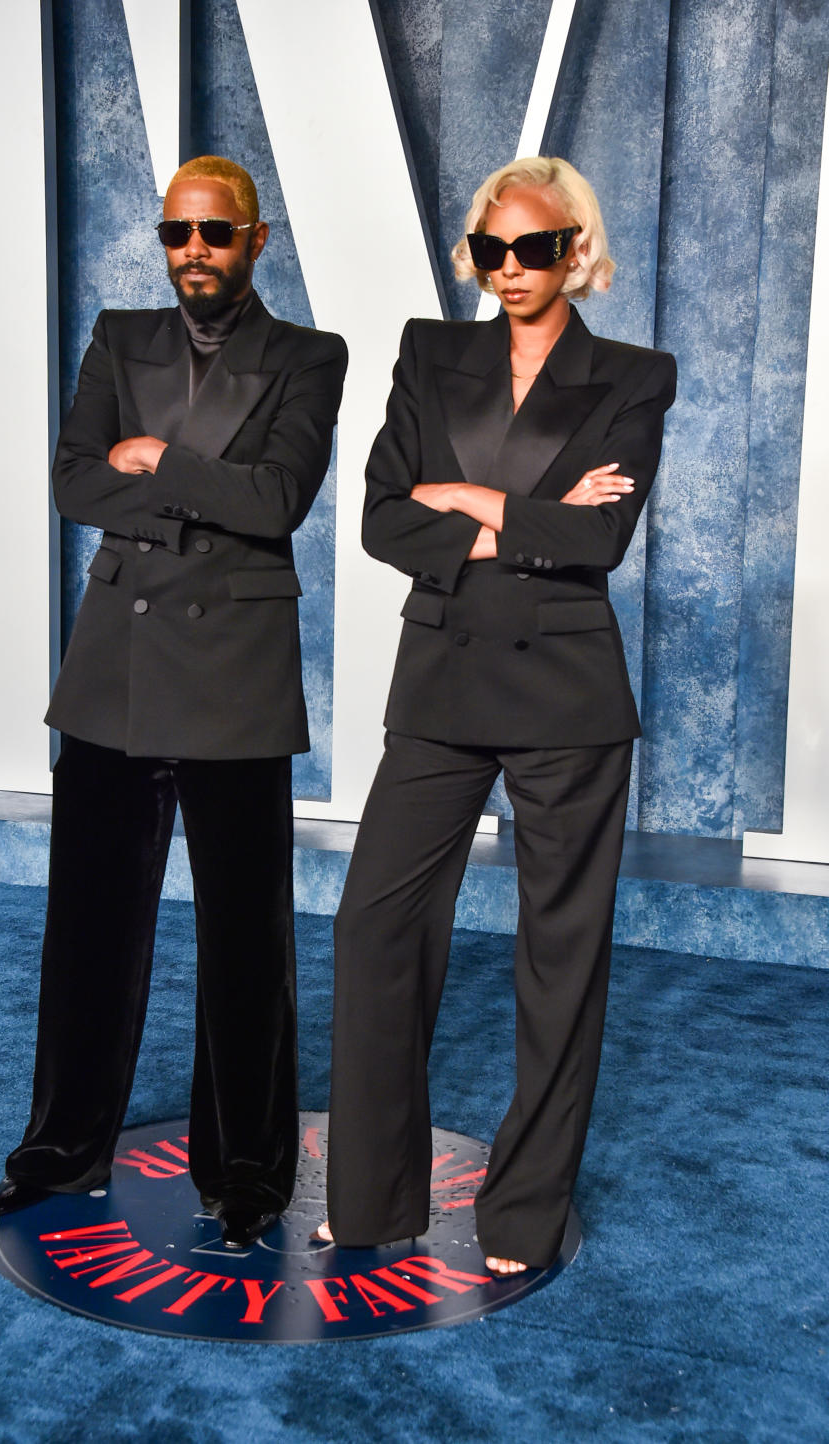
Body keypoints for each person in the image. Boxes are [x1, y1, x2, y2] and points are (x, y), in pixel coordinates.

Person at [0, 156, 348, 1249]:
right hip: (116, 670)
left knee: (246, 940)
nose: (194, 249)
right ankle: (60, 1148)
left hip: (234, 672)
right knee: (89, 927)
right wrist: (190, 490)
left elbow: (280, 498)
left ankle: (246, 1176)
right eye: (177, 231)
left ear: (257, 239)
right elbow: (72, 480)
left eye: (216, 233)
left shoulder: (308, 356)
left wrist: (158, 464)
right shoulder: (117, 334)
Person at [322, 156, 675, 1275]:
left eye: (533, 249)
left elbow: (597, 542)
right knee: (375, 925)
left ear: (577, 248)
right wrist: (527, 515)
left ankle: (524, 1215)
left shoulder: (633, 373)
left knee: (558, 957)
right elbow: (383, 515)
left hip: (567, 698)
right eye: (491, 250)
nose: (510, 270)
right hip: (440, 684)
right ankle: (371, 1202)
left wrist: (467, 497)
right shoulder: (432, 353)